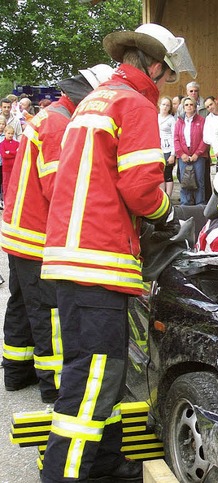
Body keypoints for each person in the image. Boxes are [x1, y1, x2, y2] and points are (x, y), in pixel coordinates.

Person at [40, 23, 195, 483]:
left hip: (73, 256)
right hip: (98, 260)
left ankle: (107, 463)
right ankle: (64, 474)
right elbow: (142, 188)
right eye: (167, 75)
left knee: (97, 370)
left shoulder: (94, 99)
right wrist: (168, 216)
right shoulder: (135, 103)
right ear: (153, 65)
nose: (166, 83)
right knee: (93, 378)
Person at [1, 64, 114, 405]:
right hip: (36, 235)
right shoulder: (59, 125)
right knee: (48, 309)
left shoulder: (50, 116)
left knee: (22, 303)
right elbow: (58, 187)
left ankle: (16, 372)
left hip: (19, 229)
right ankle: (55, 383)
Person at [174, 96, 209, 205]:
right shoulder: (179, 121)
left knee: (199, 181)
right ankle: (185, 204)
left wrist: (197, 154)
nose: (189, 107)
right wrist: (181, 153)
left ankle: (200, 204)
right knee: (185, 182)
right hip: (183, 155)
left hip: (198, 156)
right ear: (183, 107)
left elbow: (205, 139)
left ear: (195, 107)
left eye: (191, 104)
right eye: (186, 105)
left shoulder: (202, 120)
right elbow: (176, 139)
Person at [158, 95, 176, 196]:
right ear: (160, 105)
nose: (165, 107)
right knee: (159, 173)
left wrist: (173, 154)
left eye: (167, 105)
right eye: (163, 104)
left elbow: (174, 136)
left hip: (168, 149)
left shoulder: (171, 119)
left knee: (167, 173)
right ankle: (161, 195)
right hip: (158, 148)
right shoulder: (156, 117)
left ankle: (168, 196)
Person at [203, 95, 218, 164]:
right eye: (207, 107)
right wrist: (216, 147)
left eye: (211, 104)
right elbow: (206, 137)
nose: (210, 107)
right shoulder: (209, 119)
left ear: (216, 101)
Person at [0, 125, 19, 199]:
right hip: (6, 169)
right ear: (5, 133)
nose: (10, 135)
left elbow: (19, 154)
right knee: (6, 185)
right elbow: (4, 155)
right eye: (9, 133)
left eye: (12, 133)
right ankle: (6, 202)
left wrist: (9, 152)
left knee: (15, 185)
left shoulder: (17, 143)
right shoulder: (2, 144)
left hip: (15, 168)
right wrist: (14, 153)